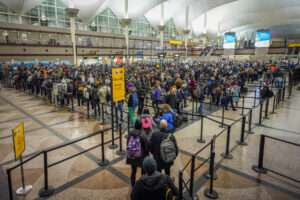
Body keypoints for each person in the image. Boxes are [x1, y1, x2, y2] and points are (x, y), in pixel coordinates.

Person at [126, 119, 149, 187]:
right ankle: (142, 185)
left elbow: (127, 143)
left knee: (133, 172)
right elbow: (146, 147)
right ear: (141, 126)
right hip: (141, 157)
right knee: (143, 172)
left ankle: (133, 186)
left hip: (132, 155)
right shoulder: (142, 135)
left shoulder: (130, 133)